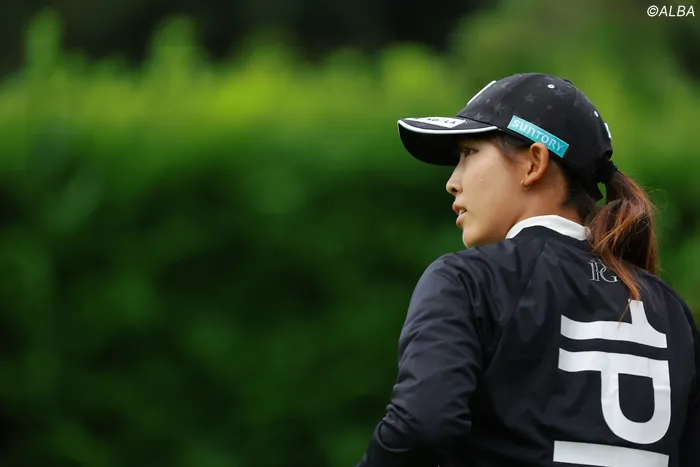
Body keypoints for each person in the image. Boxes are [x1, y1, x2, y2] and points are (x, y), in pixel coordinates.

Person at [356, 73, 699, 467]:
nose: (453, 182)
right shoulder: (671, 311)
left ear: (535, 163)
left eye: (469, 152)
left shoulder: (467, 281)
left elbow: (422, 426)